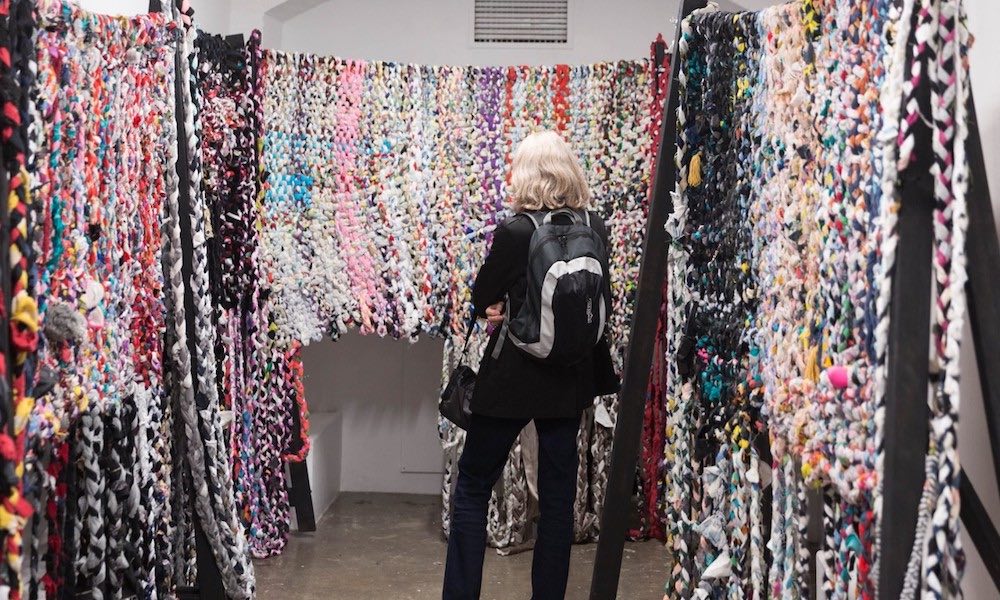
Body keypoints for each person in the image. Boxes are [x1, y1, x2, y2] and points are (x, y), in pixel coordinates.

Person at [442, 131, 619, 600]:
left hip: (512, 378)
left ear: (525, 174)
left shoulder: (516, 231)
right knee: (558, 501)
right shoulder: (594, 226)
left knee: (475, 484)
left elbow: (483, 298)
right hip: (569, 378)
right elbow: (601, 300)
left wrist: (497, 306)